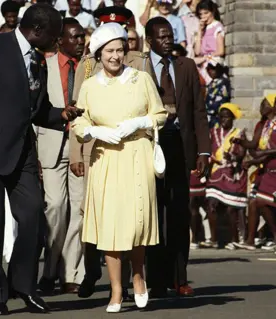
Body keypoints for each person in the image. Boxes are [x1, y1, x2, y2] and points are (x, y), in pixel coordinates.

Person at [0, 4, 83, 315]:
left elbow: (37, 109)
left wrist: (59, 115)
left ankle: (23, 285)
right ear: (37, 30)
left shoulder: (38, 58)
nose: (58, 40)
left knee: (35, 216)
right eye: (55, 34)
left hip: (23, 152)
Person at [72, 22, 167, 313]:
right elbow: (79, 122)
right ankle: (115, 291)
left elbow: (160, 114)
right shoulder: (89, 85)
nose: (115, 56)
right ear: (98, 54)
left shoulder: (141, 79)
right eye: (109, 51)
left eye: (120, 50)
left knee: (136, 223)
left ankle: (138, 277)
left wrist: (141, 122)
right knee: (111, 227)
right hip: (106, 159)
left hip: (137, 154)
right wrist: (94, 133)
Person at [145, 16, 210, 298]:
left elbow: (198, 111)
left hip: (180, 148)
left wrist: (204, 151)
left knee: (179, 215)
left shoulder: (185, 66)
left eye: (170, 34)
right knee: (153, 216)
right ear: (149, 40)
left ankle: (179, 278)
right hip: (150, 147)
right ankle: (155, 281)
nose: (167, 39)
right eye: (161, 36)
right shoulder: (139, 67)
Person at [36, 17, 86, 295]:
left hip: (82, 146)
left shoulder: (90, 68)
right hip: (51, 146)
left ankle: (71, 274)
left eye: (83, 37)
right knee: (55, 208)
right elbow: (36, 109)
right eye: (75, 37)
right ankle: (50, 269)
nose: (80, 42)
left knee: (79, 210)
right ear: (60, 40)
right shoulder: (45, 65)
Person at [235, 89, 276, 251]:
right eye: (275, 103)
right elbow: (258, 146)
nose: (275, 106)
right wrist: (244, 145)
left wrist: (264, 154)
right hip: (271, 168)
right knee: (259, 201)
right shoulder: (273, 123)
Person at [205, 103, 248, 250]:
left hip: (232, 173)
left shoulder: (238, 133)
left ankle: (234, 239)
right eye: (221, 117)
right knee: (211, 204)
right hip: (216, 173)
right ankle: (214, 239)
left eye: (227, 117)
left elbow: (242, 153)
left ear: (232, 118)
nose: (224, 120)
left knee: (231, 208)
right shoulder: (213, 132)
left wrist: (232, 155)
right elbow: (207, 150)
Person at [193, 0, 225, 85]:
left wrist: (207, 57)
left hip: (212, 63)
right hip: (202, 62)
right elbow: (197, 51)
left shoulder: (217, 26)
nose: (203, 16)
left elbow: (220, 51)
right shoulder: (204, 29)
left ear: (212, 12)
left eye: (206, 13)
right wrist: (200, 31)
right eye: (201, 14)